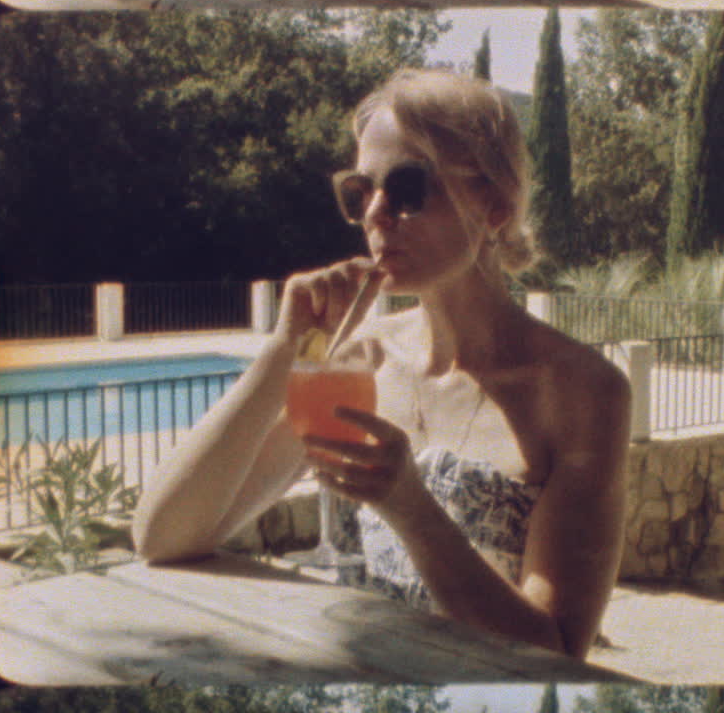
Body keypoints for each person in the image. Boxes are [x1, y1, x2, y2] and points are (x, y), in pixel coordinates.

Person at [132, 68, 630, 660]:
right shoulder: (359, 363)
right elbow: (162, 538)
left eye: (408, 188)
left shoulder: (582, 393)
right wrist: (281, 354)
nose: (376, 213)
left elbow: (558, 652)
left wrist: (412, 511)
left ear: (494, 205)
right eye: (359, 191)